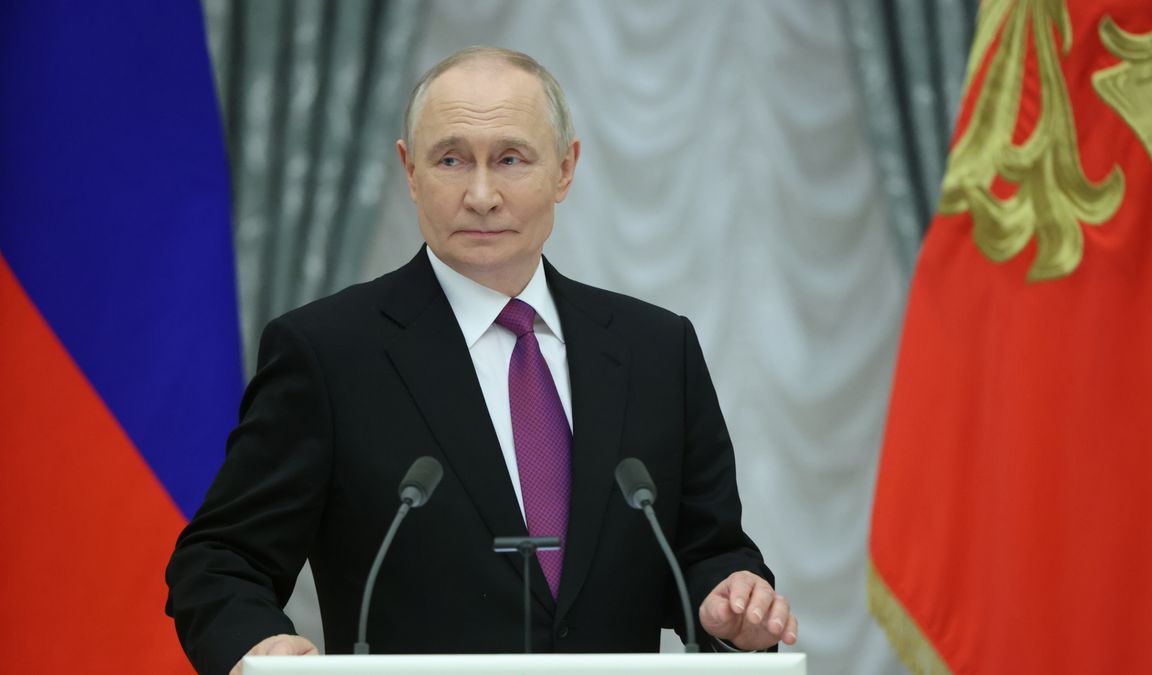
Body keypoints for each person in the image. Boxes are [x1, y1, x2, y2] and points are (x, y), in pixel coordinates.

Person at [165, 46, 797, 675]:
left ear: (565, 169)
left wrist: (730, 604)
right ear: (410, 171)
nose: (482, 194)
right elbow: (221, 558)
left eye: (511, 159)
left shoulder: (656, 349)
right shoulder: (329, 353)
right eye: (451, 159)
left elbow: (706, 550)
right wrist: (256, 646)